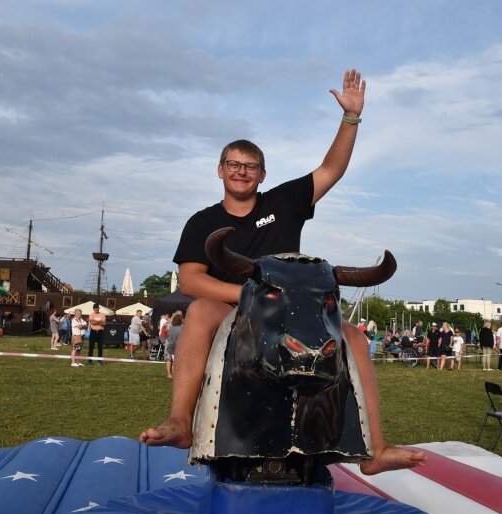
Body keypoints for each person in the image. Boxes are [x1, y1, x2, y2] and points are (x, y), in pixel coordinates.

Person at [140, 69, 426, 475]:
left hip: (295, 314)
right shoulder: (202, 221)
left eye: (251, 166)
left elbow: (332, 169)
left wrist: (351, 118)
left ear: (263, 174)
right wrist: (249, 296)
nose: (242, 171)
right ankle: (181, 422)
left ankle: (375, 448)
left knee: (355, 339)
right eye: (233, 164)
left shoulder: (285, 201)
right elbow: (190, 281)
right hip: (238, 309)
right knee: (201, 310)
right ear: (219, 170)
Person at [165, 313, 183, 379]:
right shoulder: (182, 328)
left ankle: (169, 374)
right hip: (178, 346)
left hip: (170, 345)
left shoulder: (170, 328)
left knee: (169, 360)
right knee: (176, 362)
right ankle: (175, 376)